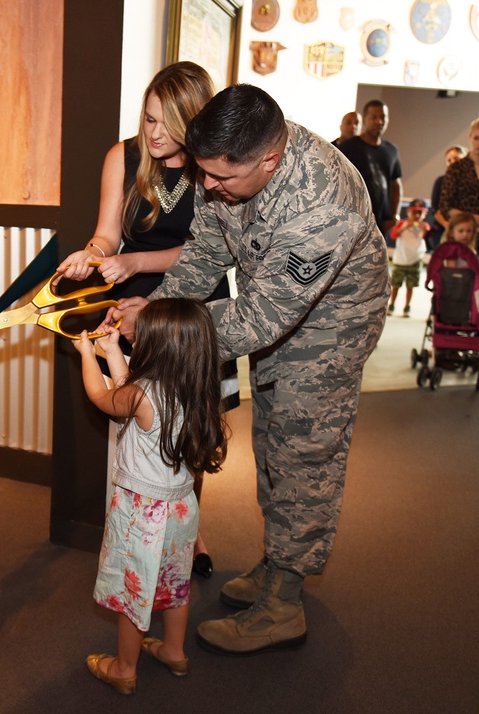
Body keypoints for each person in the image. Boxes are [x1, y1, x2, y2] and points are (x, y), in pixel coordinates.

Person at [108, 84, 390, 656]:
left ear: (269, 158)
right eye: (204, 173)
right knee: (270, 439)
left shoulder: (322, 207)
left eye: (220, 179)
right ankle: (278, 564)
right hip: (276, 304)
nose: (207, 187)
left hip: (332, 326)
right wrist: (158, 304)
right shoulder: (227, 167)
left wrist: (159, 328)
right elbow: (204, 253)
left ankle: (284, 604)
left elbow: (256, 320)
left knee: (304, 451)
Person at [54, 61, 237, 579]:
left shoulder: (212, 165)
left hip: (190, 307)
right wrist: (93, 254)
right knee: (137, 422)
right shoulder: (124, 155)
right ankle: (137, 525)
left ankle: (186, 531)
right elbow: (107, 233)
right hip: (133, 306)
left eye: (167, 123)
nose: (154, 134)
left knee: (191, 432)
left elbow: (209, 249)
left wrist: (136, 261)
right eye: (148, 118)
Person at [77, 299, 228, 695]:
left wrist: (85, 354)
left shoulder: (142, 394)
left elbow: (103, 397)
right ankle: (174, 651)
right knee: (175, 583)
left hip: (141, 514)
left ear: (158, 347)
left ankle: (125, 668)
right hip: (181, 509)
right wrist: (111, 350)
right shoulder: (197, 389)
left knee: (134, 591)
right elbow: (133, 391)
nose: (135, 338)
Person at [439, 113, 479, 296]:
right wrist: (477, 220)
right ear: (470, 137)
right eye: (477, 138)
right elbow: (446, 206)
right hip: (463, 235)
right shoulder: (457, 169)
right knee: (461, 289)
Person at [340, 99, 403, 239]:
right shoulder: (348, 147)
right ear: (365, 119)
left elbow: (396, 185)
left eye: (383, 117)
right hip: (354, 223)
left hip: (382, 225)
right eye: (374, 117)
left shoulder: (391, 150)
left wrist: (394, 216)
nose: (379, 122)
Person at [388, 198, 430, 317]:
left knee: (410, 286)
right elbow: (394, 235)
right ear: (408, 212)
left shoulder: (424, 225)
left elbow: (427, 236)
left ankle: (407, 306)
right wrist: (406, 226)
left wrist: (422, 227)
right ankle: (392, 304)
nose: (416, 215)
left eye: (420, 213)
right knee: (395, 285)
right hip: (400, 259)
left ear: (425, 214)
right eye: (414, 212)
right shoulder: (402, 223)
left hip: (415, 259)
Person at [426, 145, 466, 250]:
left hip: (465, 230)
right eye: (449, 160)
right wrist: (448, 226)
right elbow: (435, 209)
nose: (452, 162)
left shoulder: (470, 183)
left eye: (456, 159)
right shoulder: (440, 181)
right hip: (442, 228)